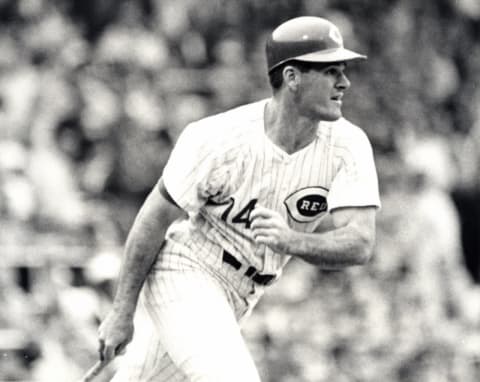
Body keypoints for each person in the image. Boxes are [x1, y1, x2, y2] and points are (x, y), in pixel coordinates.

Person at [97, 16, 381, 381]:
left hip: (243, 292)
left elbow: (360, 243)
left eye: (342, 70)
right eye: (330, 71)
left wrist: (293, 240)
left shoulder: (348, 145)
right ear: (292, 77)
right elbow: (154, 216)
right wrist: (122, 310)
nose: (345, 82)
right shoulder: (218, 137)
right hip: (187, 270)